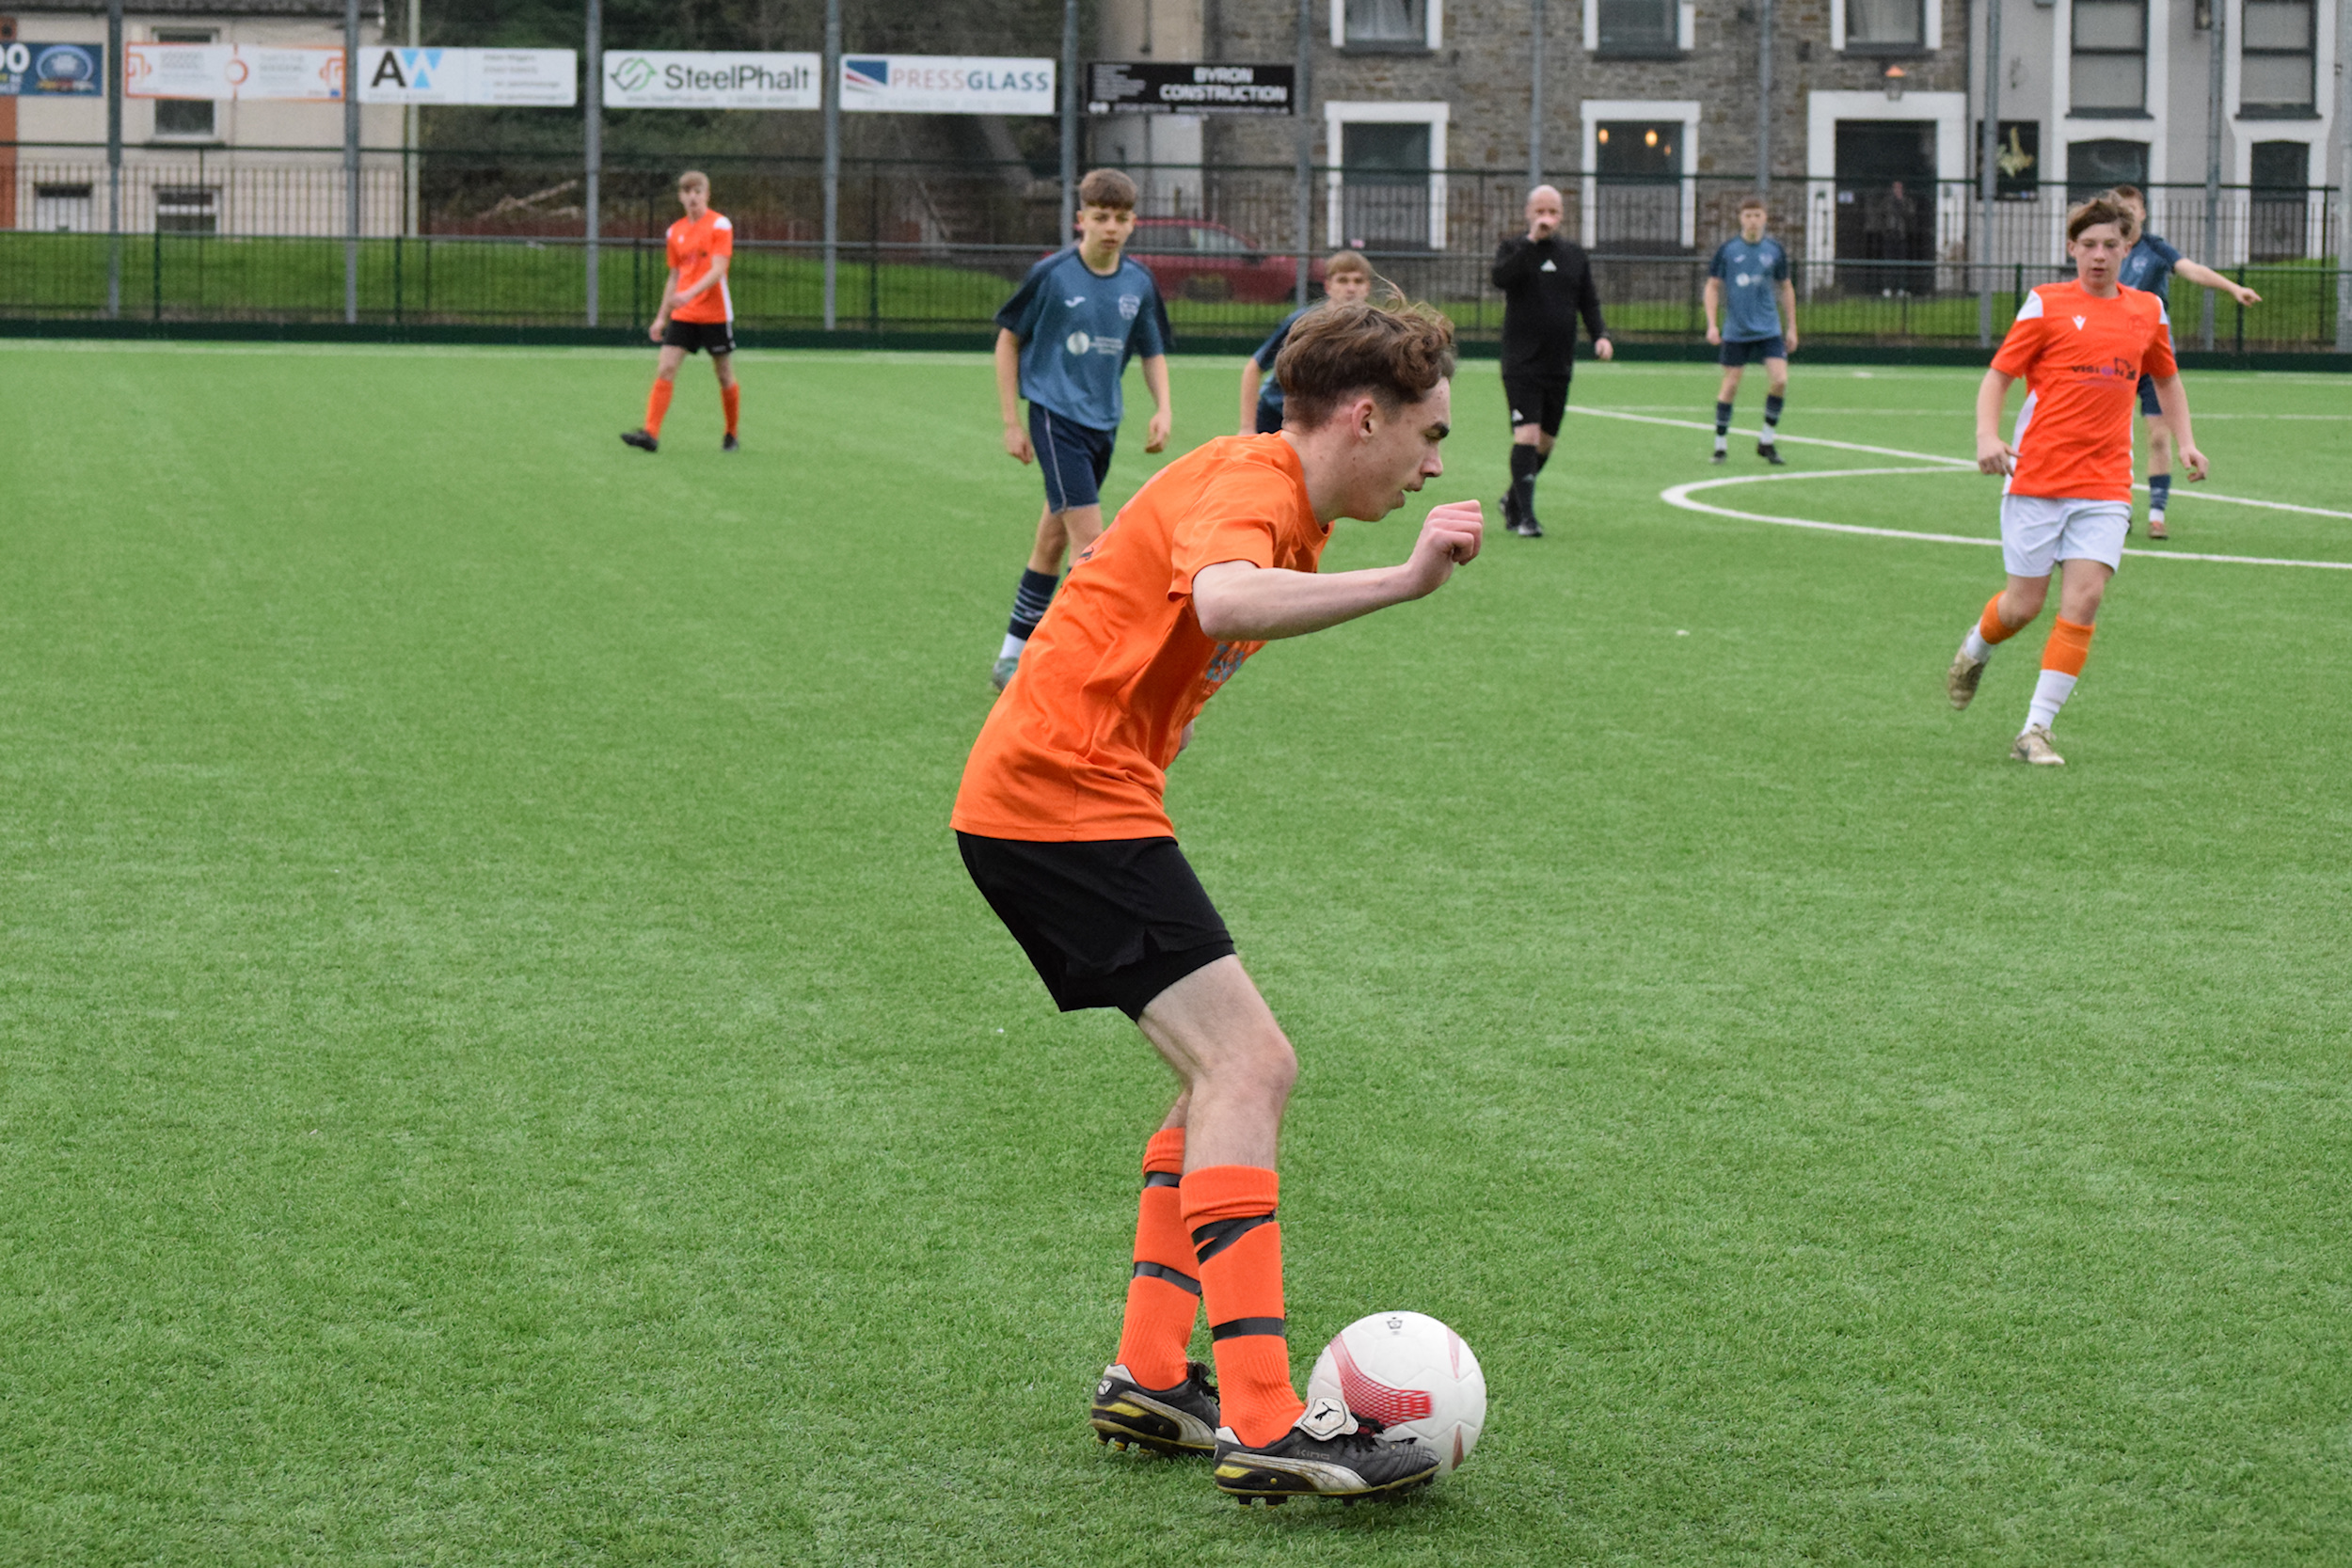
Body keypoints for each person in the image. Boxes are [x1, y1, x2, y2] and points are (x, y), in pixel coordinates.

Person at [951, 298, 1478, 1503]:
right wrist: (1401, 581)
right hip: (1059, 800)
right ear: (1363, 418)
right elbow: (1224, 601)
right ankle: (1265, 1418)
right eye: (1428, 432)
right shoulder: (1253, 484)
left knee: (1219, 1074)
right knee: (1252, 1065)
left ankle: (1148, 1373)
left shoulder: (1270, 494)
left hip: (1061, 797)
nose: (1436, 460)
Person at [1945, 196, 2206, 767]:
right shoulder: (2045, 304)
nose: (2099, 256)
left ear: (2127, 248)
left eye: (2111, 245)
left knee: (2083, 600)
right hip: (2037, 478)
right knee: (2022, 606)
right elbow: (1998, 377)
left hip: (2106, 485)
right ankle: (1975, 649)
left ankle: (2035, 730)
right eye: (2088, 245)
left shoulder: (2147, 311)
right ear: (2071, 249)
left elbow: (2167, 381)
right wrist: (1988, 437)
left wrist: (2185, 441)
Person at [989, 168, 1173, 691]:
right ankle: (1077, 662)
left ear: (1134, 223)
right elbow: (1008, 341)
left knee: (1051, 540)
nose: (1110, 227)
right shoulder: (1051, 274)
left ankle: (1011, 656)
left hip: (1103, 423)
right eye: (1100, 217)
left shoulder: (1138, 282)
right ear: (1081, 219)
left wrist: (1163, 408)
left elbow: (1151, 349)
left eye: (1120, 218)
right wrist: (1011, 422)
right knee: (1091, 544)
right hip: (1053, 417)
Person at [2106, 184, 2260, 541]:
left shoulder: (2155, 248)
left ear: (2142, 213)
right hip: (2113, 357)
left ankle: (2157, 514)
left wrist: (2232, 288)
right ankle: (2117, 506)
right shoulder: (2105, 250)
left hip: (2152, 357)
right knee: (2113, 437)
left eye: (2131, 208)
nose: (2125, 215)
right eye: (2119, 209)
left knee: (2159, 436)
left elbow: (2191, 270)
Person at [1489, 184, 1611, 538]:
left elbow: (1588, 301)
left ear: (1561, 215)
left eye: (1553, 212)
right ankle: (1526, 517)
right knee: (1526, 434)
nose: (1546, 218)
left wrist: (1600, 334)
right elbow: (1501, 278)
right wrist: (1530, 242)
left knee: (1546, 442)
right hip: (1521, 363)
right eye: (1540, 211)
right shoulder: (1514, 248)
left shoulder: (1573, 255)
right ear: (1529, 213)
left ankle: (1512, 498)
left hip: (1559, 364)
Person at [621, 171, 739, 454]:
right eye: (687, 192)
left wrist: (690, 293)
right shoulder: (675, 232)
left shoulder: (720, 225)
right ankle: (650, 434)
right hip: (684, 314)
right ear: (680, 196)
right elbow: (674, 277)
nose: (693, 196)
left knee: (723, 373)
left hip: (714, 313)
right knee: (666, 367)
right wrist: (662, 316)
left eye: (698, 191)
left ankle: (731, 433)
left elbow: (719, 269)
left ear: (707, 195)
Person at [1704, 195, 1799, 465]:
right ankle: (1720, 446)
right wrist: (1712, 324)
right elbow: (1712, 286)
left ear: (1765, 218)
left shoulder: (1774, 250)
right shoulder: (1729, 250)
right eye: (1748, 215)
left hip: (1769, 328)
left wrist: (1792, 327)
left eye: (1758, 215)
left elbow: (1785, 286)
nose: (1753, 220)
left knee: (1780, 380)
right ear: (1740, 219)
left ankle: (1766, 440)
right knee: (1731, 385)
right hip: (1737, 330)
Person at [1236, 252, 1375, 436]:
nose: (1351, 288)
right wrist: (1247, 428)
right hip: (1277, 415)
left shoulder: (1374, 329)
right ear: (1328, 286)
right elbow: (1254, 368)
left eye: (1358, 281)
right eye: (1342, 281)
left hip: (1325, 421)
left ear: (1368, 287)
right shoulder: (1304, 322)